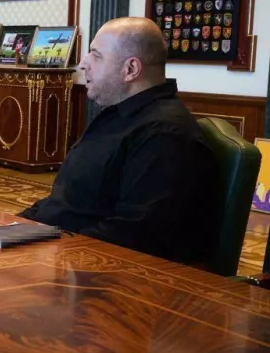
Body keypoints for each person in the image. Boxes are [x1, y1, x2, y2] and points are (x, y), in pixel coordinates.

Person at [19, 17, 218, 267]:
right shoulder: (116, 115)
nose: (83, 64)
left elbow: (131, 237)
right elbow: (68, 200)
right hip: (54, 247)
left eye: (96, 55)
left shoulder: (165, 135)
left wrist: (49, 257)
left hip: (95, 273)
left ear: (131, 69)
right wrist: (13, 226)